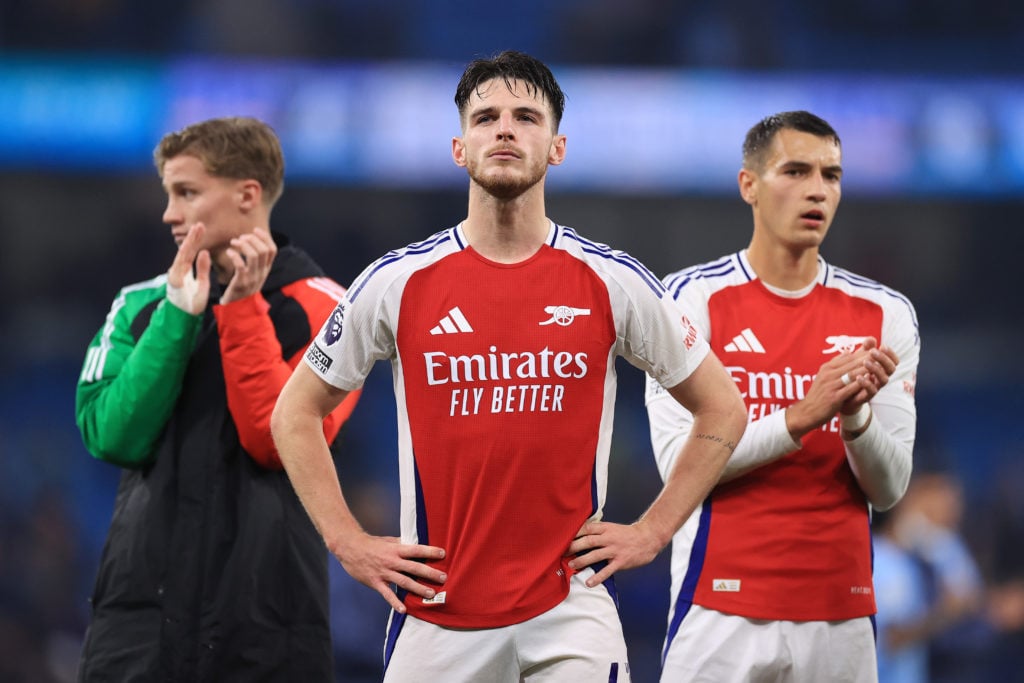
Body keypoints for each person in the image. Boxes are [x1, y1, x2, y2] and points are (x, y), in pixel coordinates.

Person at [270, 50, 747, 682]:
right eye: (485, 117)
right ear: (459, 148)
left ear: (557, 147)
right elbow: (293, 412)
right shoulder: (397, 281)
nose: (504, 129)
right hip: (436, 613)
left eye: (526, 117)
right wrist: (346, 541)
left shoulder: (611, 280)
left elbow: (724, 408)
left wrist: (653, 532)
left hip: (570, 610)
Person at [74, 116, 361, 681]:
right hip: (138, 624)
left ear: (247, 195)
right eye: (169, 194)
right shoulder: (141, 304)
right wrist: (178, 317)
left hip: (266, 624)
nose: (169, 214)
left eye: (187, 193)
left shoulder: (330, 306)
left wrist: (242, 307)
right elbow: (110, 434)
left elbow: (275, 441)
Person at [645, 110, 920, 682]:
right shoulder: (689, 300)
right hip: (718, 605)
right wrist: (800, 416)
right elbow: (678, 467)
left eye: (832, 175)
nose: (817, 189)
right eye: (795, 171)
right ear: (749, 184)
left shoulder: (885, 313)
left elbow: (890, 489)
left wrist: (856, 420)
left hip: (840, 615)